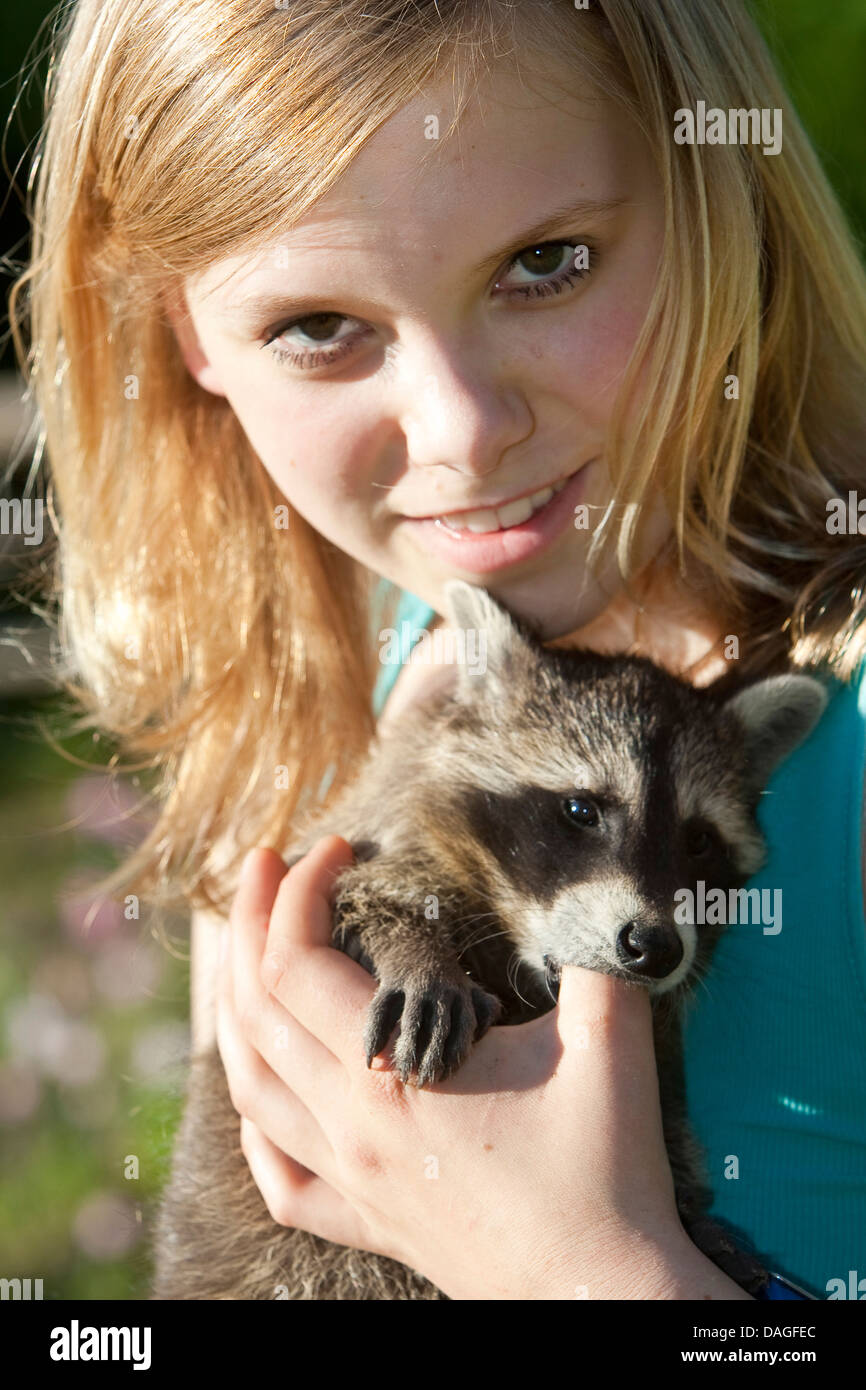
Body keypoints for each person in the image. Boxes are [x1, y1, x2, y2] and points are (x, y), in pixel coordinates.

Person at [13, 0, 866, 1299]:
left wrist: (580, 1269)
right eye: (316, 324)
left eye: (546, 262)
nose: (462, 432)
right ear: (183, 332)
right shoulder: (320, 698)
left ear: (713, 198)